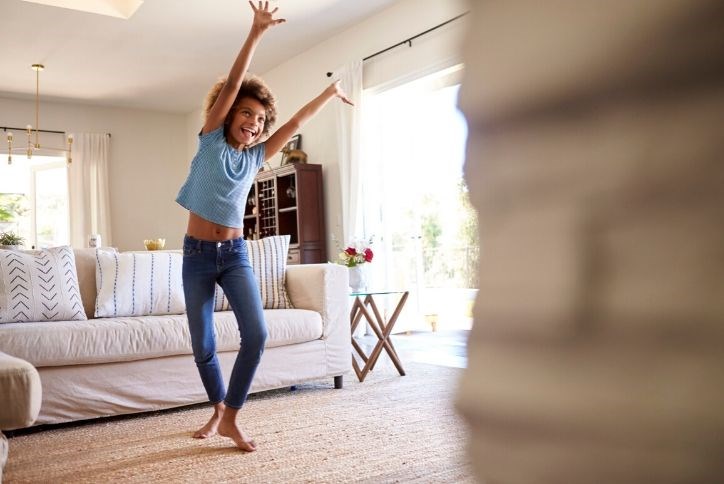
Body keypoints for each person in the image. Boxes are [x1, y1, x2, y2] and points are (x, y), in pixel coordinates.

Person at [175, 1, 352, 452]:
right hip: (196, 255)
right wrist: (256, 33)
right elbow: (235, 82)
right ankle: (217, 407)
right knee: (202, 343)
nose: (253, 123)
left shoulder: (256, 158)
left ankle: (231, 415)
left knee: (257, 334)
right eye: (246, 114)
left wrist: (329, 95)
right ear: (229, 113)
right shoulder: (210, 138)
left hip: (235, 256)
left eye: (258, 119)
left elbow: (294, 121)